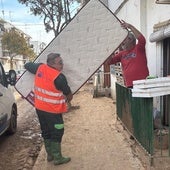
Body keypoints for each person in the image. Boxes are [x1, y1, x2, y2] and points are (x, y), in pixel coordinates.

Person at [24, 53, 73, 165]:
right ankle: (57, 158)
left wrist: (31, 65)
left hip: (40, 108)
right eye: (60, 63)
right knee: (58, 131)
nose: (62, 65)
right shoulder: (59, 77)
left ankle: (50, 155)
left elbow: (27, 65)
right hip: (53, 111)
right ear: (51, 63)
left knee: (46, 131)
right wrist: (67, 100)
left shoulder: (39, 68)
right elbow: (69, 95)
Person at [107, 20, 149, 88]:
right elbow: (109, 61)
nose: (122, 42)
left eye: (124, 39)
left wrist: (130, 26)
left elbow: (142, 39)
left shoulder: (138, 48)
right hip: (129, 85)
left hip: (142, 84)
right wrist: (111, 50)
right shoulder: (121, 54)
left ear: (130, 39)